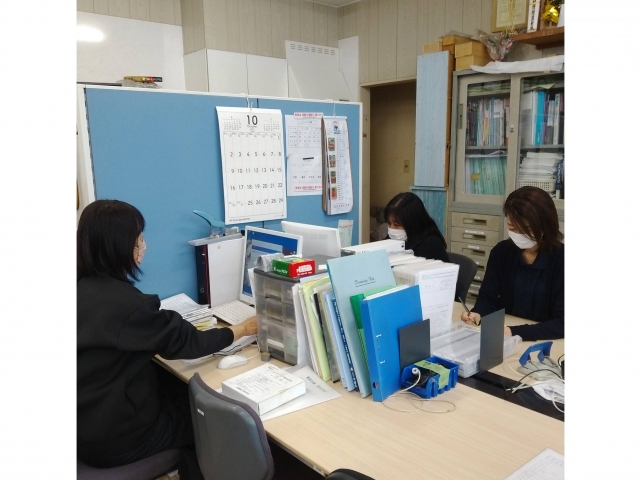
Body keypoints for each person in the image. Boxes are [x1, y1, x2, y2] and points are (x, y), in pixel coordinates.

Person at [77, 200, 257, 479]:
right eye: (139, 240)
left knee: (176, 387)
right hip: (118, 442)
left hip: (85, 427)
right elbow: (189, 343)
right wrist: (244, 328)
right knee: (208, 418)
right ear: (120, 247)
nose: (144, 246)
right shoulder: (127, 306)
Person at [461, 186, 564, 341]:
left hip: (547, 340)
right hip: (506, 335)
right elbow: (488, 298)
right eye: (512, 228)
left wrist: (514, 331)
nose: (519, 234)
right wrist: (477, 314)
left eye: (526, 229)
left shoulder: (562, 260)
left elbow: (562, 323)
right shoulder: (502, 252)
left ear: (545, 225)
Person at [384, 192, 449, 262]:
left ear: (412, 222)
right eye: (389, 223)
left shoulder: (429, 244)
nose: (392, 228)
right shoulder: (393, 238)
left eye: (397, 224)